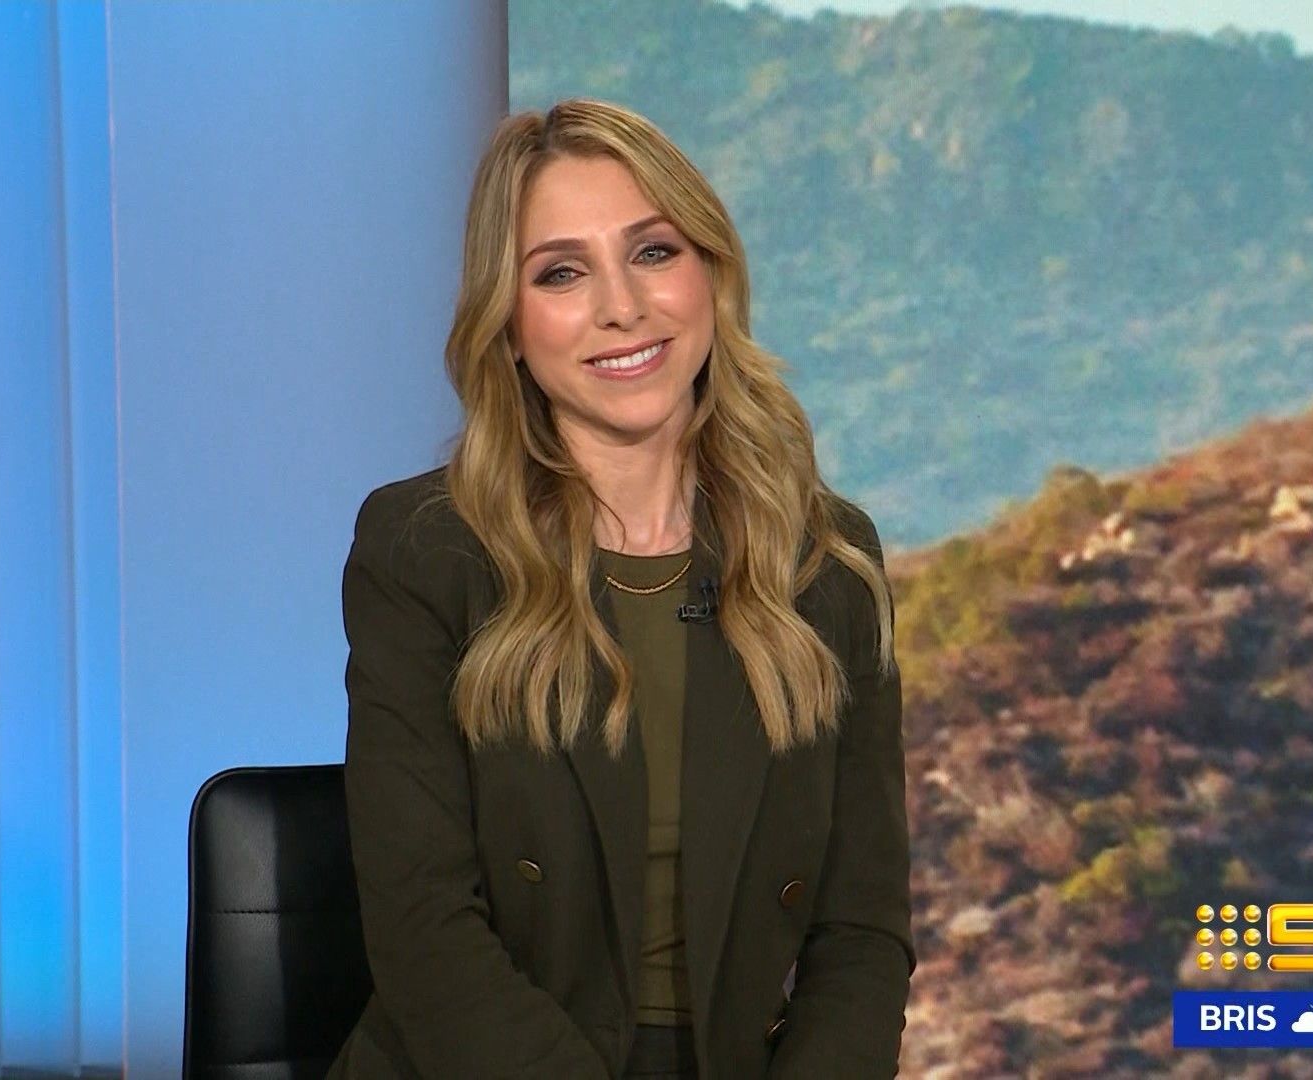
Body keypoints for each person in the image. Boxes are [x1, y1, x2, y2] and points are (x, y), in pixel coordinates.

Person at [327, 98, 915, 1080]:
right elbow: (426, 930)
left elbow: (861, 936)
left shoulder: (826, 560)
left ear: (710, 276)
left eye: (653, 252)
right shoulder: (424, 551)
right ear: (511, 327)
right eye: (562, 272)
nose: (622, 306)